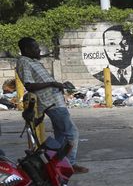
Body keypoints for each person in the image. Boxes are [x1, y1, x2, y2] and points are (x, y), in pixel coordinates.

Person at [16, 37, 88, 174]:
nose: (39, 50)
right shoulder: (24, 62)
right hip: (50, 103)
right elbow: (29, 85)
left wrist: (58, 85)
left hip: (55, 100)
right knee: (71, 133)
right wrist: (53, 84)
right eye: (35, 48)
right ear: (26, 50)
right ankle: (69, 164)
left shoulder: (34, 61)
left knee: (61, 135)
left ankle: (58, 164)